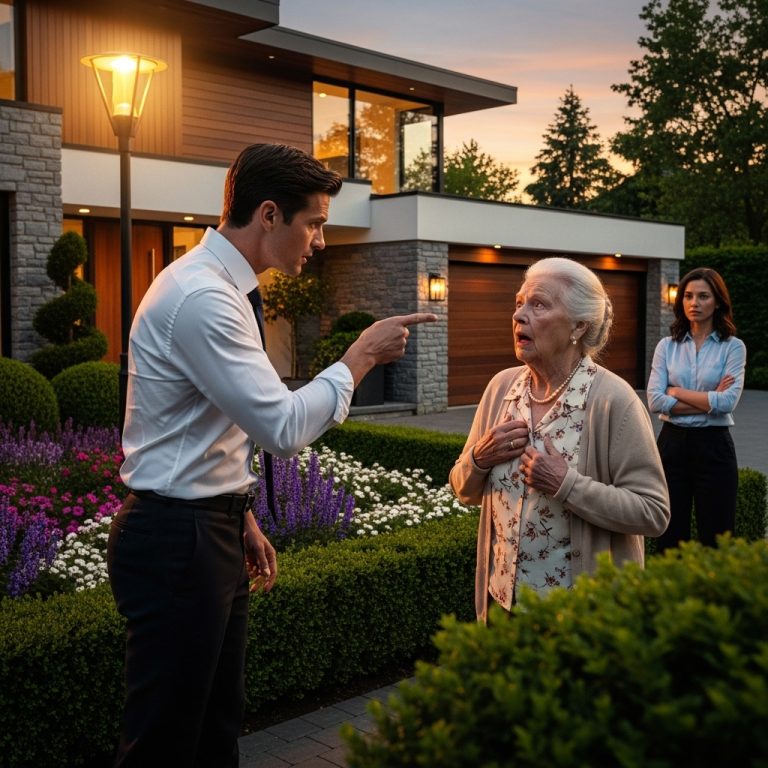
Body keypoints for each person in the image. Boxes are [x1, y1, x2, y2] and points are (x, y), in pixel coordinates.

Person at [107, 142, 437, 767]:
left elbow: (210, 427)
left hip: (207, 529)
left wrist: (242, 515)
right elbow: (281, 427)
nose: (319, 240)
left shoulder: (224, 287)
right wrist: (359, 357)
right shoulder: (202, 296)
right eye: (314, 222)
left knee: (213, 730)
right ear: (267, 215)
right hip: (179, 542)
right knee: (165, 743)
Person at [450, 257, 669, 623]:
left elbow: (653, 512)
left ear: (579, 326)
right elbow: (463, 489)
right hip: (501, 604)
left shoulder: (614, 400)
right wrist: (480, 458)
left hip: (578, 615)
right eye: (519, 303)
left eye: (539, 304)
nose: (519, 315)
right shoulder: (501, 388)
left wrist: (567, 484)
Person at [647, 267, 745, 553]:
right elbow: (654, 400)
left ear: (718, 302)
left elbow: (728, 403)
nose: (694, 303)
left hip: (714, 446)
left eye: (703, 296)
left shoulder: (733, 347)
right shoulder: (667, 346)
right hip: (671, 444)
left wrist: (675, 392)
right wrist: (708, 399)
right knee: (669, 536)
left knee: (717, 537)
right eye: (688, 296)